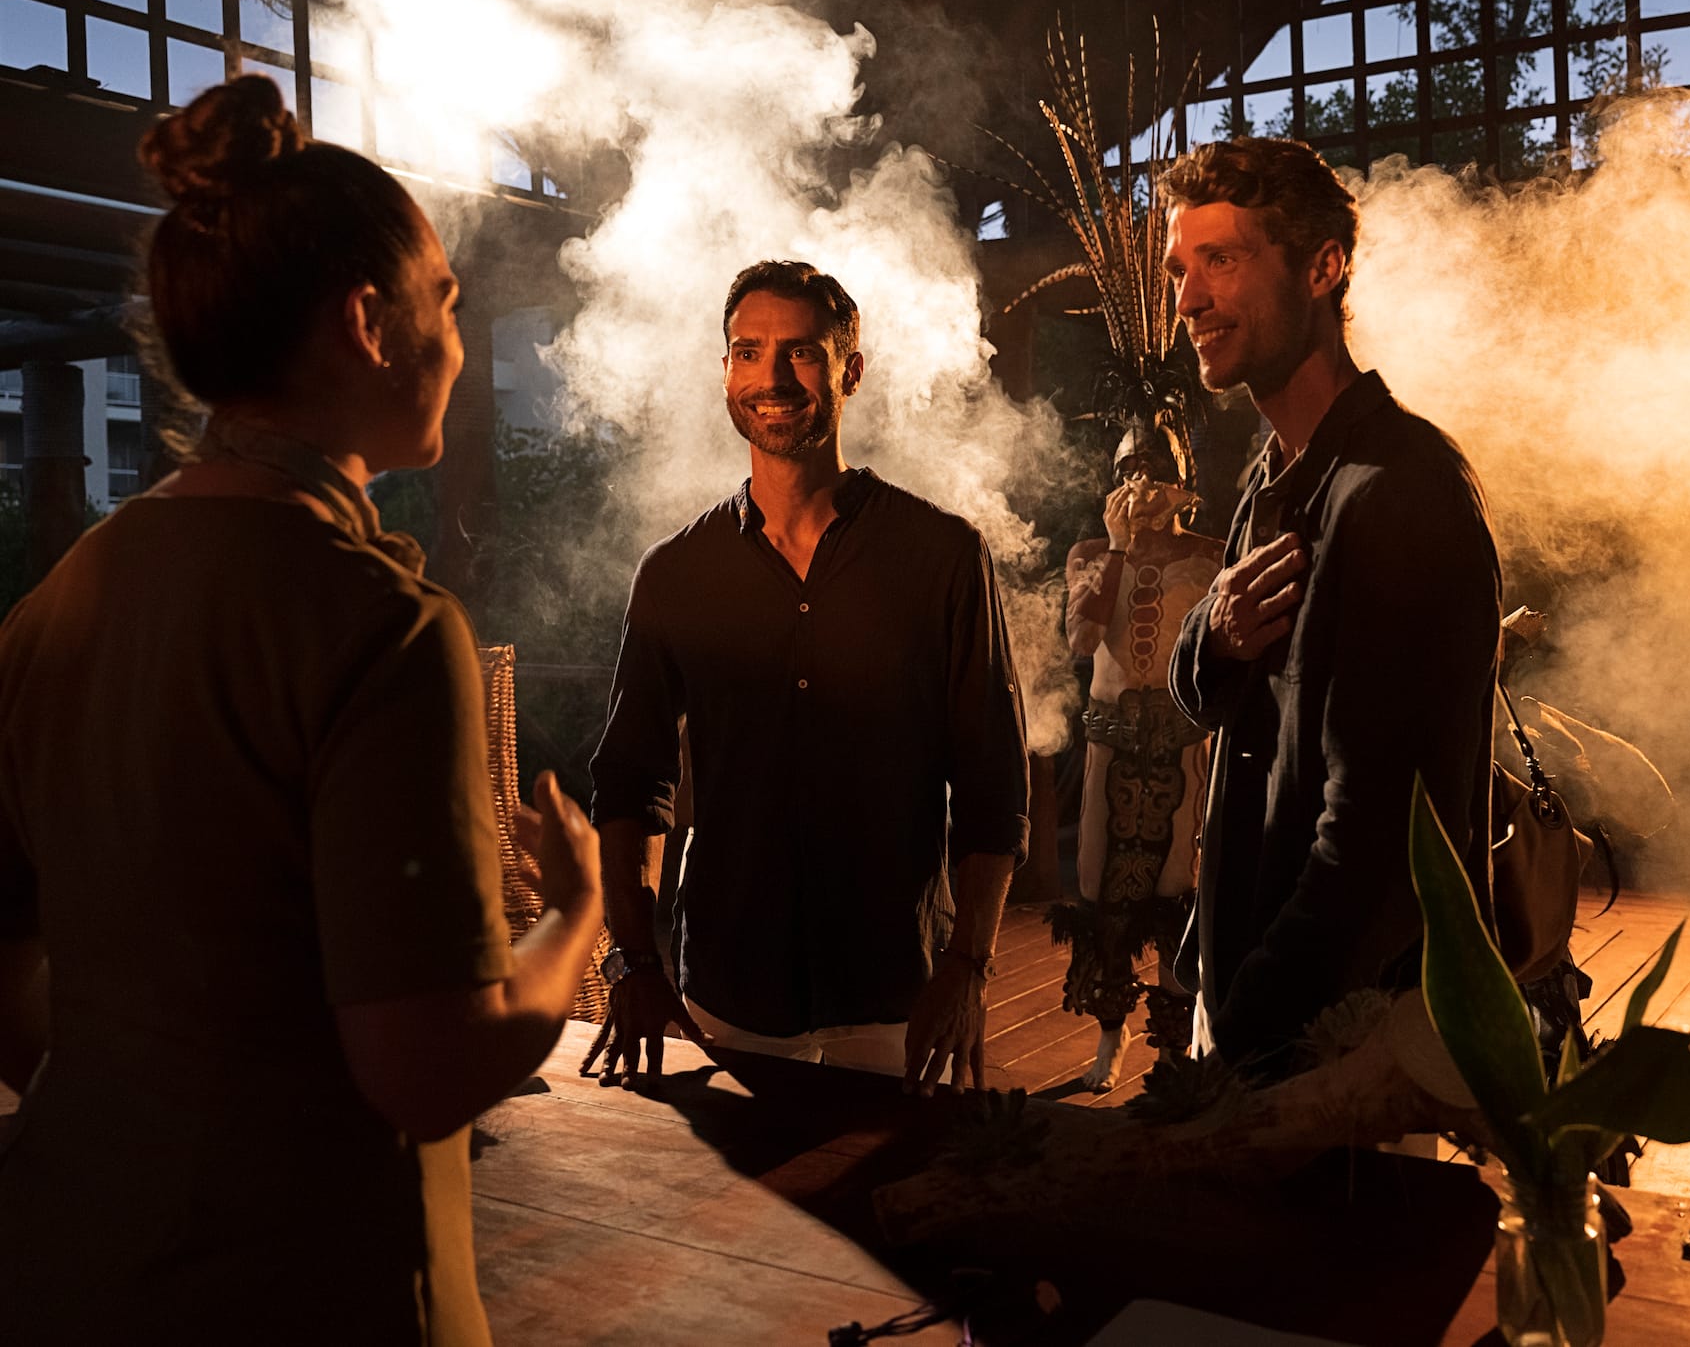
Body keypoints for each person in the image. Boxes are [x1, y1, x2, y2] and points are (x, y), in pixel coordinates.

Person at [0, 76, 602, 1343]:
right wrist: (580, 918)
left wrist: (156, 1095)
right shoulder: (377, 625)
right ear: (368, 324)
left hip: (76, 1265)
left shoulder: (60, 601)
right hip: (307, 1287)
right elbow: (425, 1066)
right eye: (445, 299)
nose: (455, 330)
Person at [587, 259, 1029, 1094]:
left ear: (849, 370)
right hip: (724, 994)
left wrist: (970, 965)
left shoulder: (942, 557)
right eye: (747, 351)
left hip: (898, 993)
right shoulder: (675, 571)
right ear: (724, 370)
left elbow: (991, 784)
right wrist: (633, 962)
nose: (771, 376)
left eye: (800, 352)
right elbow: (629, 780)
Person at [1161, 138, 1501, 1075]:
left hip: (1341, 1037)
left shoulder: (1398, 490)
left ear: (1322, 266)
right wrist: (1215, 634)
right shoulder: (1273, 477)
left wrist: (1252, 1030)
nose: (1188, 300)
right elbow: (1204, 698)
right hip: (1252, 997)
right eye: (1181, 270)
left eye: (1221, 261)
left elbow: (1383, 846)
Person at [1052, 419, 1221, 1090]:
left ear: (1182, 484)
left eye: (1151, 469)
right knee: (1100, 889)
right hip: (1109, 741)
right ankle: (1108, 1036)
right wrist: (1119, 550)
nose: (1137, 482)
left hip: (1179, 743)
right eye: (1126, 470)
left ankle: (1173, 1049)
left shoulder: (1212, 553)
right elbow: (1082, 641)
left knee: (1175, 888)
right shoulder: (1091, 551)